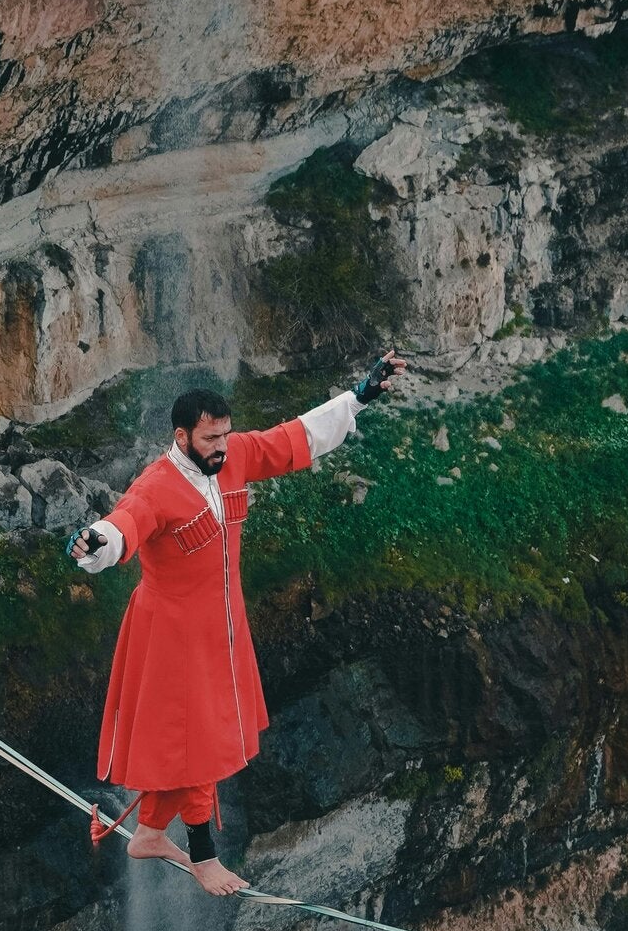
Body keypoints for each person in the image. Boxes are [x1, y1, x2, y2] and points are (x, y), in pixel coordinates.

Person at [69, 355, 408, 893]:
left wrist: (360, 395)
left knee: (202, 736)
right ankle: (203, 858)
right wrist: (96, 542)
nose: (221, 447)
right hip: (171, 635)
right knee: (199, 742)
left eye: (225, 435)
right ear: (181, 436)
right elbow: (125, 523)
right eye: (210, 439)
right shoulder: (155, 486)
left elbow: (294, 436)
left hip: (220, 627)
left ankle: (151, 831)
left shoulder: (234, 457)